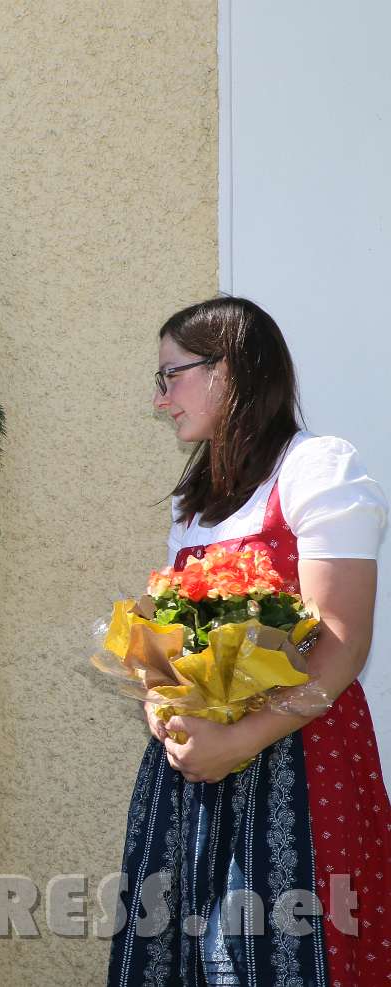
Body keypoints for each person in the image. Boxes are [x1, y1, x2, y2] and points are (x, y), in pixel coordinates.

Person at [110, 298, 391, 985]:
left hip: (298, 758)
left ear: (227, 371)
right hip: (194, 771)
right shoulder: (196, 498)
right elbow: (160, 632)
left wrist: (239, 739)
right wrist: (162, 706)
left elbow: (342, 645)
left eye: (171, 375)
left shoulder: (318, 469)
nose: (161, 398)